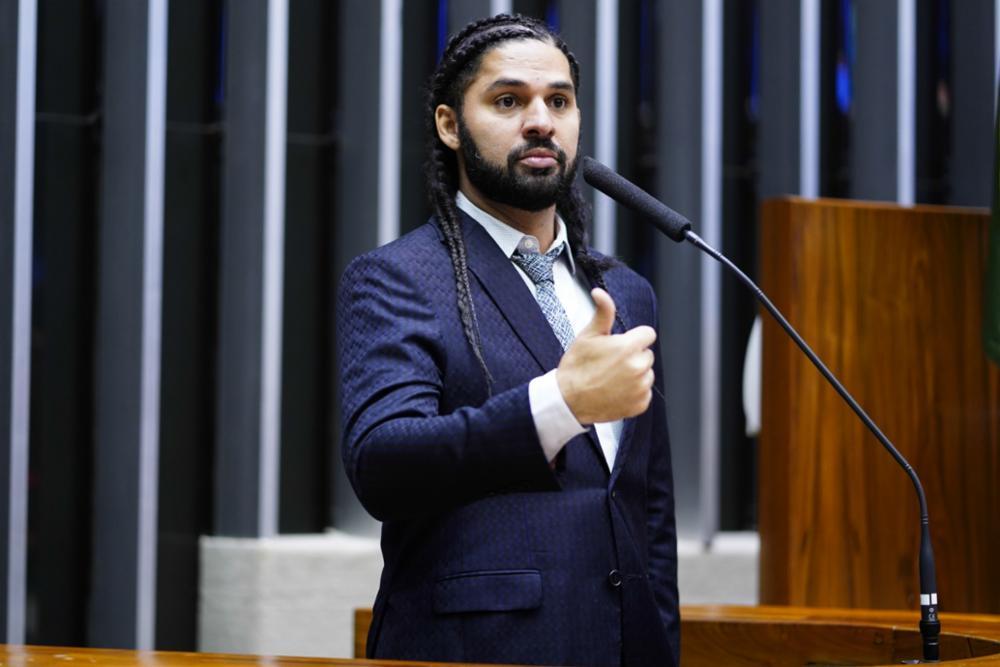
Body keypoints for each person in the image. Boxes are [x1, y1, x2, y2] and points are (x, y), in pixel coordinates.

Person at [337, 14, 679, 667]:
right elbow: (383, 464)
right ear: (448, 125)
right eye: (508, 100)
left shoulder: (624, 291)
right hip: (480, 648)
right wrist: (560, 403)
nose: (541, 120)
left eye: (559, 100)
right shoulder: (397, 277)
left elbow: (649, 508)